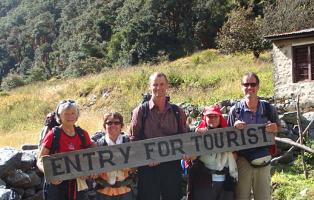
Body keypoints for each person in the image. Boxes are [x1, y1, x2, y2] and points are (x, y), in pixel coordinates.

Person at [130, 72, 188, 200]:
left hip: (172, 166)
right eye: (155, 84)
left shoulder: (177, 111)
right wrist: (145, 159)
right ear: (149, 87)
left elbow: (185, 137)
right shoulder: (140, 111)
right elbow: (134, 140)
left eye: (162, 84)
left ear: (167, 86)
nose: (158, 88)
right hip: (148, 167)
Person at [227, 72, 280, 200]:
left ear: (258, 86)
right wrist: (234, 127)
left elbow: (278, 127)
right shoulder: (235, 110)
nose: (249, 87)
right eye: (246, 84)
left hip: (263, 159)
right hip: (242, 160)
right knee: (241, 196)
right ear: (241, 87)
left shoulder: (268, 109)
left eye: (253, 84)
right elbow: (227, 136)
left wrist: (275, 128)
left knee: (263, 197)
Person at [37, 99, 94, 200]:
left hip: (78, 184)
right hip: (57, 185)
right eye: (66, 114)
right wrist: (50, 175)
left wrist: (87, 172)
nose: (70, 117)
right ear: (59, 116)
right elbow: (40, 160)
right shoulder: (53, 135)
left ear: (77, 116)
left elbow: (92, 157)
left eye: (73, 113)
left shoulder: (82, 134)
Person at [187, 105, 237, 200]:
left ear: (220, 117)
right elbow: (192, 158)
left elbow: (235, 155)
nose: (213, 119)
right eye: (210, 116)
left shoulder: (229, 135)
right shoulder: (196, 134)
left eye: (215, 116)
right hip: (203, 182)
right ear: (205, 118)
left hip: (225, 182)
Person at [92, 112, 134, 200]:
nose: (113, 125)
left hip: (125, 190)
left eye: (116, 123)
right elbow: (92, 169)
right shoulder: (97, 145)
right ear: (105, 126)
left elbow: (136, 166)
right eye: (109, 123)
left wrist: (130, 168)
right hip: (103, 191)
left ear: (121, 125)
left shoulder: (129, 142)